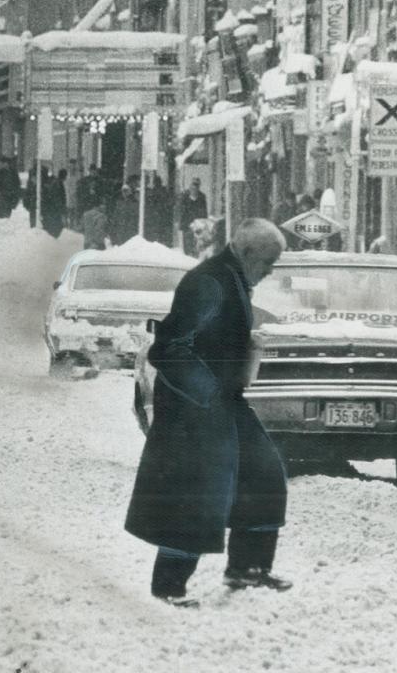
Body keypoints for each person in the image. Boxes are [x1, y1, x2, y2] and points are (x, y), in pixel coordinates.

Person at [124, 218, 290, 606]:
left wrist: (241, 346)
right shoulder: (209, 282)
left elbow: (210, 336)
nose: (270, 271)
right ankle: (168, 587)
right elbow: (167, 349)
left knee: (263, 472)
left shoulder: (231, 277)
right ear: (247, 253)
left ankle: (248, 567)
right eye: (268, 261)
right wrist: (209, 391)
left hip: (222, 399)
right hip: (193, 406)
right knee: (193, 495)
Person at [179, 179, 210, 256]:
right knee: (187, 244)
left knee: (196, 244)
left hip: (198, 224)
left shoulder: (202, 196)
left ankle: (195, 255)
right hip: (187, 224)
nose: (194, 187)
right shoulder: (185, 196)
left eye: (196, 185)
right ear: (190, 186)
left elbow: (204, 211)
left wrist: (203, 222)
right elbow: (181, 210)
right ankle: (188, 255)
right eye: (193, 185)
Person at [43, 169, 68, 238]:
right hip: (55, 209)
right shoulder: (58, 184)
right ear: (64, 176)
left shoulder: (55, 182)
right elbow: (58, 198)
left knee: (54, 225)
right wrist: (62, 210)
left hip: (52, 208)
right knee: (56, 226)